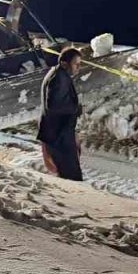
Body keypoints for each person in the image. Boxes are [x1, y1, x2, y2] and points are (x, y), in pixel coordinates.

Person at [37, 47, 84, 181]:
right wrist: (75, 108)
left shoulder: (59, 74)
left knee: (68, 174)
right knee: (71, 176)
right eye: (76, 64)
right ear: (64, 64)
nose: (78, 68)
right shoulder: (58, 79)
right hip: (58, 136)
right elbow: (53, 105)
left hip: (59, 133)